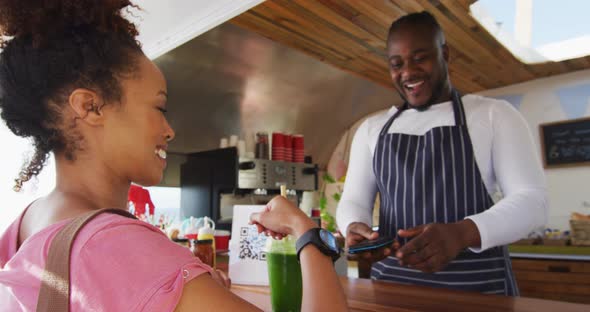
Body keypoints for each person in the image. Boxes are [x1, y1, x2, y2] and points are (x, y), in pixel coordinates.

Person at [0, 1, 348, 311]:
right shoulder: (117, 244)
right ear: (91, 107)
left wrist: (185, 284)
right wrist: (306, 232)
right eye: (159, 107)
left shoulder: (26, 223)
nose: (169, 130)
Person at [337, 11, 547, 296]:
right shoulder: (371, 130)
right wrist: (354, 227)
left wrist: (461, 233)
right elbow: (353, 200)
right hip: (392, 292)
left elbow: (533, 202)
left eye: (420, 58)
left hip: (478, 294)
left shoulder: (494, 115)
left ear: (445, 54)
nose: (408, 72)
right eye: (397, 64)